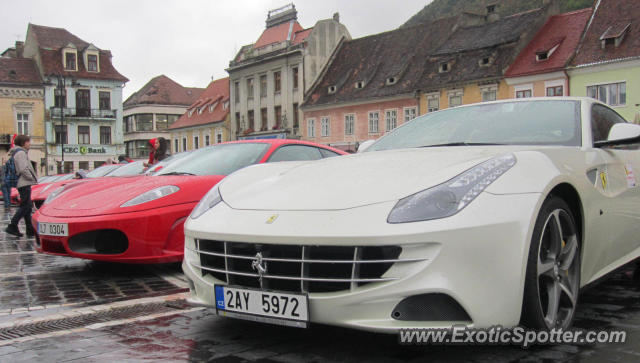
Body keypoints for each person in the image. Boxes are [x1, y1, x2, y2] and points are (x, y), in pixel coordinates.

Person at [5, 135, 37, 237]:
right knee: (26, 206)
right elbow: (23, 169)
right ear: (23, 143)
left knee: (27, 206)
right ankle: (12, 225)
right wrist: (31, 178)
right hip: (24, 182)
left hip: (23, 182)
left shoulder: (18, 152)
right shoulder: (21, 153)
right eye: (28, 142)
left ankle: (29, 229)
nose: (29, 144)